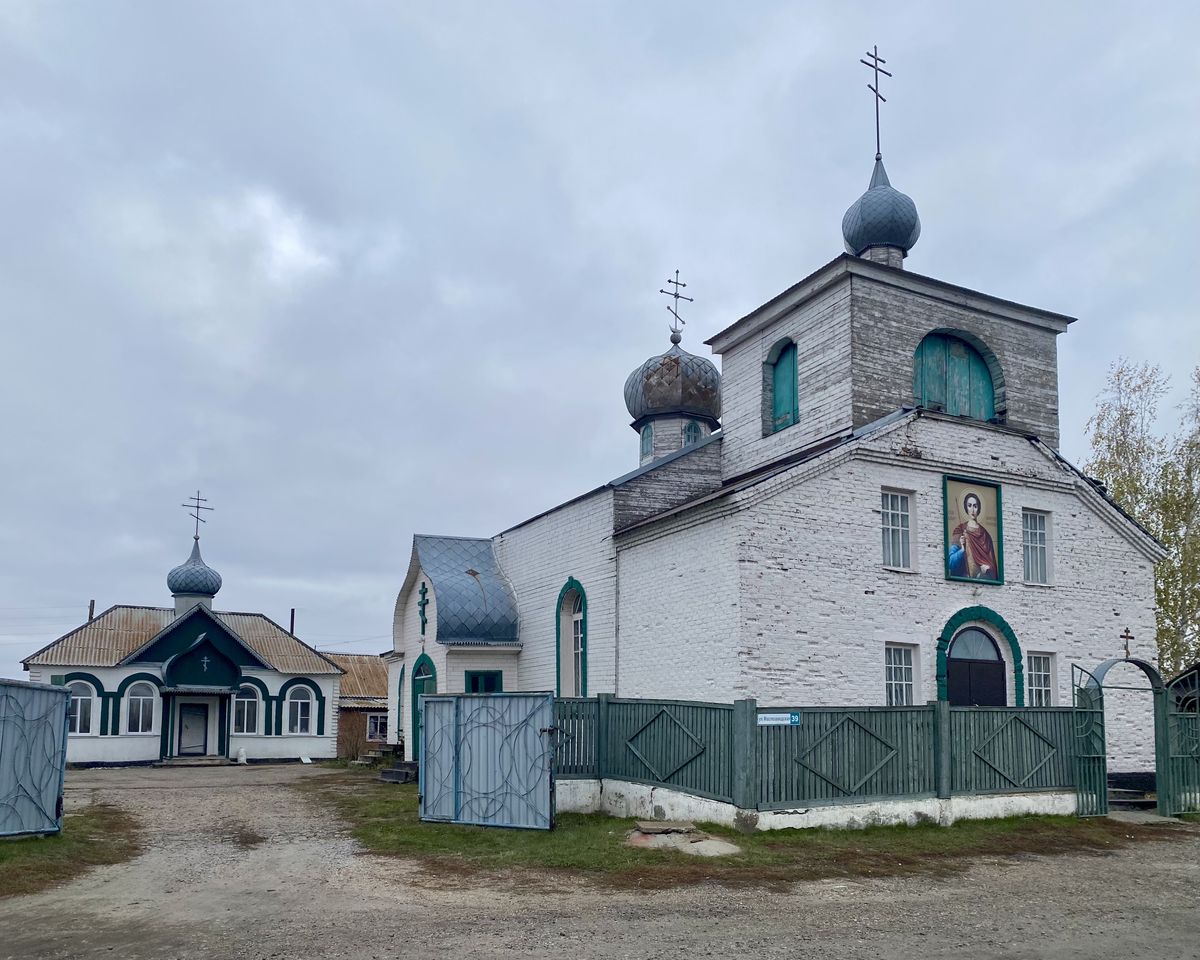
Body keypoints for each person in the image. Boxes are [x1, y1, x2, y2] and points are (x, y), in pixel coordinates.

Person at [948, 491, 999, 580]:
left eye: (975, 506)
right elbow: (951, 563)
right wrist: (962, 550)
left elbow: (993, 566)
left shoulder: (985, 535)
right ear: (966, 507)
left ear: (979, 508)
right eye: (969, 505)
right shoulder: (960, 530)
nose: (972, 510)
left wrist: (987, 568)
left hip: (982, 579)